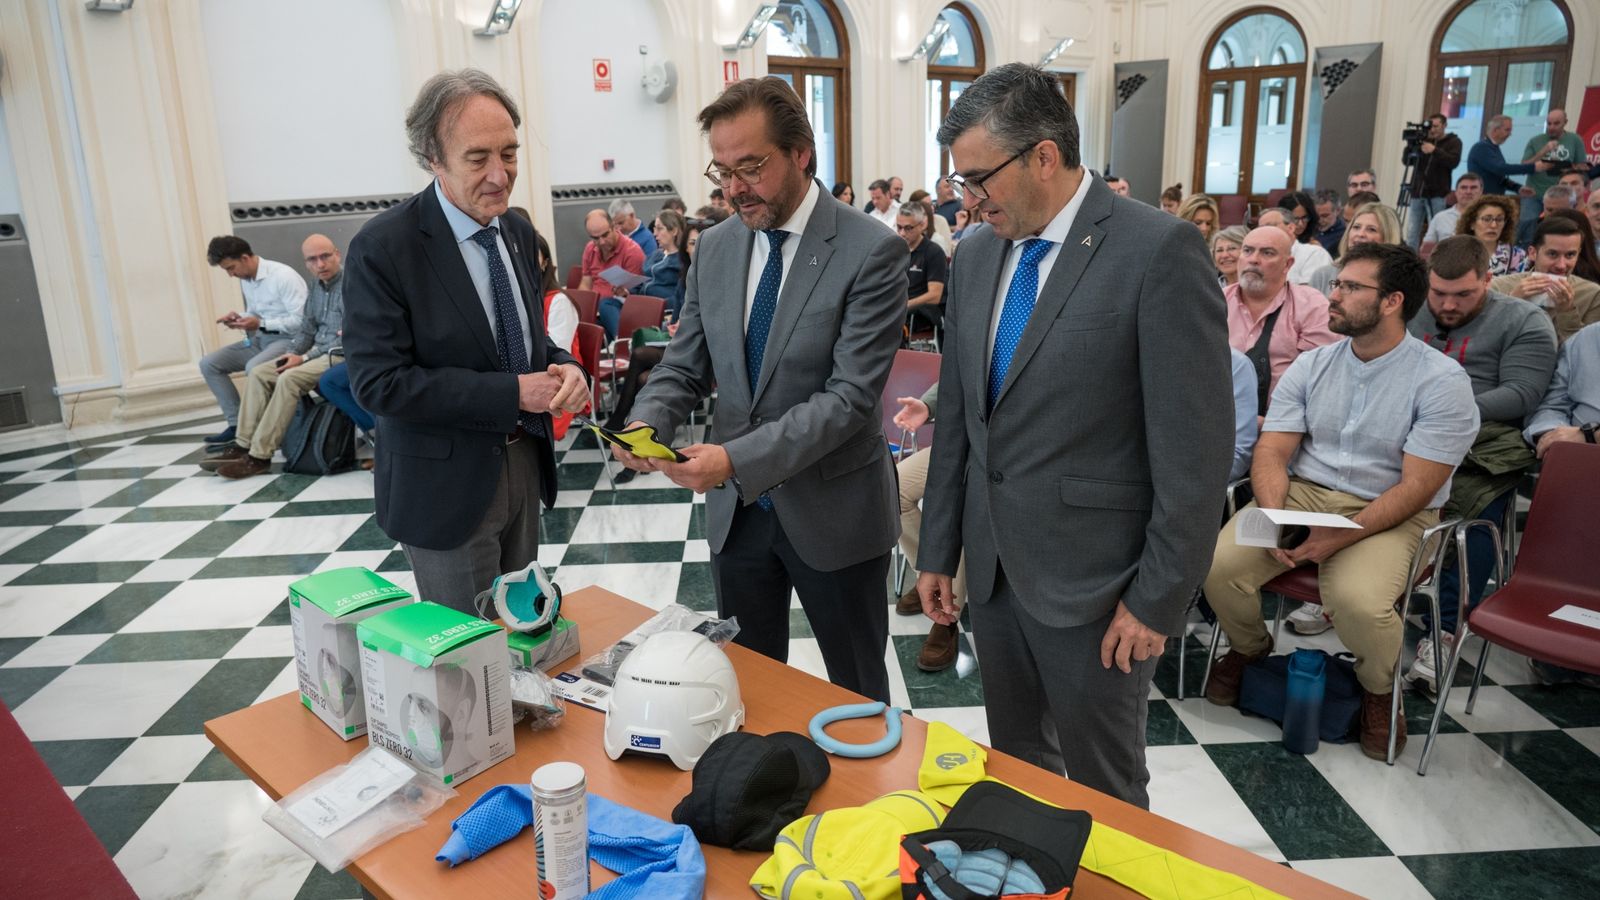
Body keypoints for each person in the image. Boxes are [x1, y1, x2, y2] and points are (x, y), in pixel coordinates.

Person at [918, 63, 1233, 808]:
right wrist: (939, 548)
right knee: (1018, 768)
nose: (966, 201)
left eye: (978, 179)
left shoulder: (1157, 251)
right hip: (995, 571)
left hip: (1099, 586)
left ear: (1044, 157)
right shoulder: (977, 255)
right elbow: (961, 415)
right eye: (959, 182)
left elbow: (1194, 455)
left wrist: (1157, 600)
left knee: (1106, 789)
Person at [610, 76, 906, 703]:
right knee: (746, 689)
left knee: (857, 695)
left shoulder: (870, 250)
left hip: (834, 512)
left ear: (801, 153)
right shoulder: (717, 247)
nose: (734, 188)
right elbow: (684, 363)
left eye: (751, 167)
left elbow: (848, 399)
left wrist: (734, 459)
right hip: (738, 516)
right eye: (722, 171)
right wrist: (646, 422)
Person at [1203, 241, 1479, 761]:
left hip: (1391, 508)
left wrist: (1335, 537)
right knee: (1216, 567)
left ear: (1392, 301)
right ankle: (1249, 649)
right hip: (1304, 493)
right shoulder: (1313, 365)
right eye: (1337, 283)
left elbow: (1417, 487)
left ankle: (1378, 690)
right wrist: (1277, 515)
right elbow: (1272, 451)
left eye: (1351, 287)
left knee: (1358, 602)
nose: (1334, 295)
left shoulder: (1442, 382)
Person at [343, 68, 588, 615]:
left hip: (524, 461)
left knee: (523, 630)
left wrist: (564, 365)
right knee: (470, 650)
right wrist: (513, 394)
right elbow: (380, 384)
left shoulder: (517, 232)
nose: (500, 176)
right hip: (444, 487)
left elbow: (525, 340)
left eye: (510, 153)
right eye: (478, 159)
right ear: (434, 158)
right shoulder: (385, 247)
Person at [1401, 235, 1555, 692]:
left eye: (1463, 294)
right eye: (1438, 293)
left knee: (1475, 512)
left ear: (1488, 280)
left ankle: (1444, 632)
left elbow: (1522, 394)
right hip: (1402, 425)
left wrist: (1441, 412)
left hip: (1485, 438)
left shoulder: (1524, 320)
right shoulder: (1407, 307)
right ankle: (1342, 592)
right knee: (1342, 474)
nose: (1448, 305)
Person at [203, 234, 346, 478]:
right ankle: (243, 444)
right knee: (260, 372)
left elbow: (348, 335)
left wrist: (303, 358)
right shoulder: (315, 286)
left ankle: (259, 456)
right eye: (312, 260)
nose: (320, 264)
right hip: (312, 351)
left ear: (337, 255)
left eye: (325, 256)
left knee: (289, 378)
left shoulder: (351, 285)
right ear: (306, 263)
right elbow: (307, 329)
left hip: (339, 353)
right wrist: (293, 353)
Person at [198, 235, 306, 445]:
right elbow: (256, 313)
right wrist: (239, 318)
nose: (231, 274)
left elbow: (301, 322)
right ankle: (237, 425)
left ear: (245, 258)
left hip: (290, 341)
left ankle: (259, 429)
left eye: (231, 268)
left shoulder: (283, 276)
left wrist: (260, 324)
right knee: (209, 364)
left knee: (254, 367)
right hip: (262, 339)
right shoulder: (247, 279)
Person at [1225, 225, 1337, 415]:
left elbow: (1320, 379)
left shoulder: (1311, 306)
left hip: (1285, 421)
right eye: (1248, 250)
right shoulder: (1216, 302)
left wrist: (1273, 422)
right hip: (1218, 418)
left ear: (1287, 264)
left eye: (1267, 253)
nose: (1253, 259)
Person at [891, 385, 964, 672]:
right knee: (894, 488)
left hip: (1005, 446)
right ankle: (930, 576)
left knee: (965, 506)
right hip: (960, 438)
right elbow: (957, 370)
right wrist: (928, 405)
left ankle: (948, 615)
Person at [1491, 215, 1600, 344]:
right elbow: (1484, 340)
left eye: (1570, 255)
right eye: (1552, 254)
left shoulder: (1592, 294)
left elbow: (1587, 350)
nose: (1561, 265)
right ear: (1533, 253)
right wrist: (1511, 303)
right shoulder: (1499, 287)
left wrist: (1567, 312)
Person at [534, 231, 583, 441]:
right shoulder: (527, 298)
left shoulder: (558, 301)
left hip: (560, 379)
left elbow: (557, 351)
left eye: (533, 256)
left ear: (545, 263)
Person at [1525, 321, 1600, 456]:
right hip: (1574, 456)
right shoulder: (1586, 338)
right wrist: (1551, 435)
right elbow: (1552, 405)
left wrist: (1591, 435)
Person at [1518, 108, 1586, 241]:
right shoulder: (1535, 141)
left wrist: (1569, 169)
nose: (1552, 127)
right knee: (1528, 230)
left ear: (1565, 122)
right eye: (1549, 123)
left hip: (1561, 197)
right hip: (1534, 193)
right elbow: (1523, 167)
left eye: (1556, 123)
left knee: (1560, 229)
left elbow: (1582, 167)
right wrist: (1543, 151)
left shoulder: (1575, 140)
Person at [1308, 202, 1401, 296]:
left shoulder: (1397, 278)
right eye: (1356, 227)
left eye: (1371, 229)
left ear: (1388, 236)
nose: (1360, 234)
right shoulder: (1323, 274)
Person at [580, 209, 647, 340]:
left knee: (605, 309)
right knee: (583, 331)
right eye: (595, 238)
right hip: (596, 312)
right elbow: (585, 284)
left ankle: (621, 342)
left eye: (605, 235)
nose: (601, 242)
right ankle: (619, 342)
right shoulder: (590, 248)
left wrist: (624, 292)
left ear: (614, 227)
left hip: (618, 310)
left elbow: (636, 296)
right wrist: (585, 309)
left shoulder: (632, 251)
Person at [1406, 113, 1463, 249]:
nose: (1432, 130)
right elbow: (1406, 161)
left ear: (1445, 125)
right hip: (1417, 191)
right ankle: (1409, 257)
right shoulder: (1423, 140)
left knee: (1438, 229)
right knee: (1412, 231)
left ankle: (1437, 257)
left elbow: (1453, 162)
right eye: (1430, 126)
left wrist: (1435, 150)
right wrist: (1410, 145)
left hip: (1438, 193)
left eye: (1436, 126)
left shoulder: (1454, 142)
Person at [898, 201, 948, 339]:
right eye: (899, 227)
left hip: (922, 314)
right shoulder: (897, 252)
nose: (902, 233)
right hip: (900, 310)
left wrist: (905, 305)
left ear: (922, 225)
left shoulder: (934, 252)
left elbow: (934, 296)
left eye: (908, 228)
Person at [1468, 114, 1550, 195]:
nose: (1510, 134)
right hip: (1483, 199)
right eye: (1507, 130)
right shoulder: (1481, 148)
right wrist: (1533, 167)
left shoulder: (1493, 148)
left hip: (1492, 198)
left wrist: (1517, 188)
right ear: (1495, 130)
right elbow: (1501, 168)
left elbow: (1498, 178)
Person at [631, 209, 691, 319]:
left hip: (662, 310)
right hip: (643, 304)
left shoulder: (682, 260)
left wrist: (659, 304)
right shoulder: (656, 255)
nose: (654, 233)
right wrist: (627, 291)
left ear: (674, 231)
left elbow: (681, 295)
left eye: (659, 229)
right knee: (608, 303)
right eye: (654, 228)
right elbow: (643, 282)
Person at [1258, 200, 1333, 285]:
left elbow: (1309, 291)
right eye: (1260, 229)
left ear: (1291, 228)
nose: (1264, 232)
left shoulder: (1314, 254)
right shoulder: (1257, 258)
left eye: (1270, 226)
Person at [1455, 194, 1527, 275]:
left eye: (1499, 219)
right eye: (1486, 219)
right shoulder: (1457, 253)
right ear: (1472, 223)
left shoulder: (1517, 255)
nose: (1494, 225)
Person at [1421, 172, 1483, 257]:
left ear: (1481, 192)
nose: (1468, 191)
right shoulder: (1440, 218)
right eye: (1463, 187)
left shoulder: (1490, 219)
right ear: (1456, 192)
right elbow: (1426, 251)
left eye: (1473, 188)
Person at [1314, 189, 1345, 254]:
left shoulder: (1345, 234)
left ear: (1338, 211)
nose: (1319, 220)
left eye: (1325, 216)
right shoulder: (1308, 227)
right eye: (1316, 216)